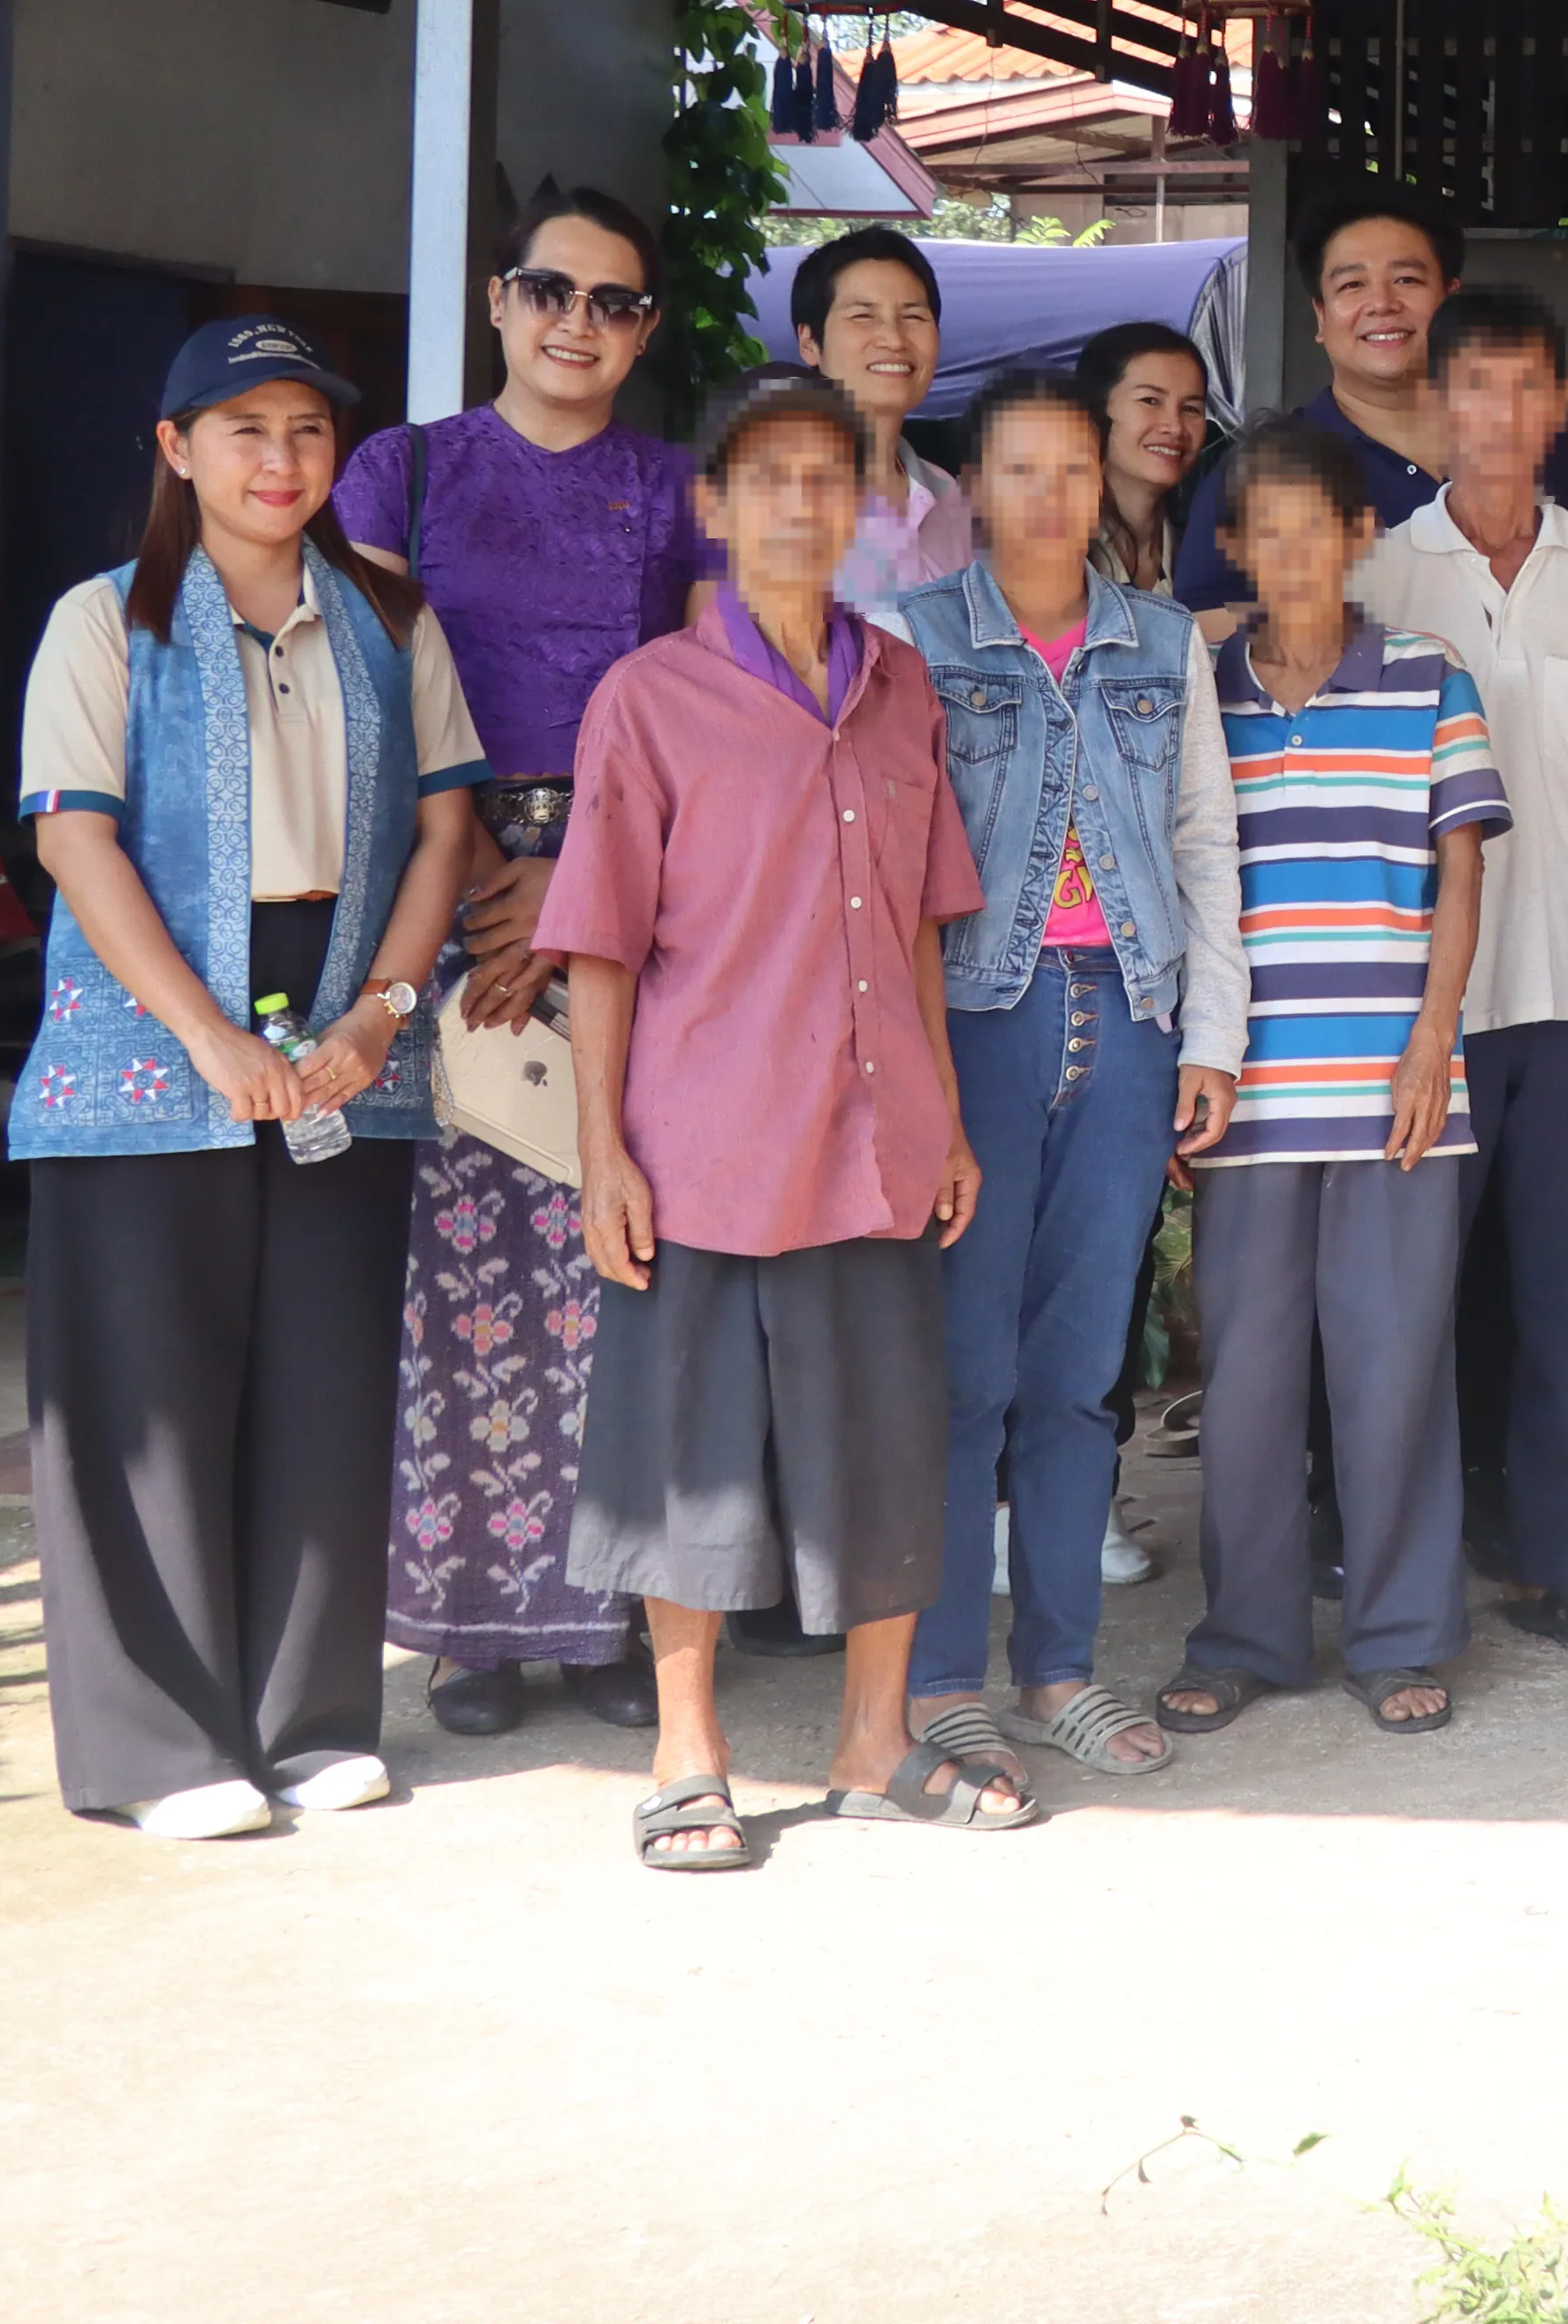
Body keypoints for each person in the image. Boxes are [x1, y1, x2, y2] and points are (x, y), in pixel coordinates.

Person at [13, 317, 485, 1838]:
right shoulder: (104, 621)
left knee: (323, 1381)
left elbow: (444, 831)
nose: (280, 462)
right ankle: (158, 1749)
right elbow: (74, 833)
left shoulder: (391, 620)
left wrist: (385, 1012)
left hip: (350, 1035)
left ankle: (313, 1715)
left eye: (305, 431)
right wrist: (205, 1036)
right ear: (174, 449)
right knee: (145, 1392)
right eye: (243, 430)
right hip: (145, 1044)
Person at [546, 370, 1015, 1871]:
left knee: (887, 1441)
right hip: (705, 1142)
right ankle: (692, 1751)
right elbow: (601, 944)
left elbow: (930, 926)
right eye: (768, 479)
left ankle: (875, 1742)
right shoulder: (650, 701)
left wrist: (942, 1118)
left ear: (865, 504)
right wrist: (599, 1149)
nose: (802, 506)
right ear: (713, 506)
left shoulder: (900, 685)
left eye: (829, 478)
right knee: (690, 1449)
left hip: (875, 1135)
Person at [335, 187, 708, 1741]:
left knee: (619, 1258)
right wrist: (481, 863)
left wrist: (573, 882)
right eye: (552, 290)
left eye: (615, 303)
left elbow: (700, 703)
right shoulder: (400, 471)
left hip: (625, 899)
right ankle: (475, 1628)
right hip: (439, 893)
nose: (580, 323)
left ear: (648, 331)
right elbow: (354, 688)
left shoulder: (678, 487)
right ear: (499, 300)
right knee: (458, 1270)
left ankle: (620, 1614)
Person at [896, 370, 1249, 1783]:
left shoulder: (1163, 644)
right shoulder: (912, 641)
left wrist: (1211, 1035)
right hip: (977, 1020)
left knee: (1078, 1373)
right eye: (1022, 471)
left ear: (1106, 488)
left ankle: (1056, 1668)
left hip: (1132, 1015)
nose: (1052, 498)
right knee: (960, 1372)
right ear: (972, 490)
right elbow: (890, 881)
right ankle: (934, 1680)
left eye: (1076, 471)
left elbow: (1207, 843)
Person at [1161, 425, 1504, 1743]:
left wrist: (1433, 1041)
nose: (1295, 553)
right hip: (1246, 1090)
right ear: (1235, 548)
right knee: (1245, 1385)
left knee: (1395, 1369)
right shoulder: (1198, 690)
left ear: (1363, 538)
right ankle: (1246, 1633)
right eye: (1268, 530)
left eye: (1322, 527)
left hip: (1398, 1089)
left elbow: (1461, 868)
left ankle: (1402, 1635)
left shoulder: (1428, 678)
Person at [1354, 286, 1568, 1662]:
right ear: (1433, 413)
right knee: (1409, 1305)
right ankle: (1407, 1580)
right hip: (1415, 1006)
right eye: (1471, 389)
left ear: (1560, 409)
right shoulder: (1376, 574)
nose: (1497, 418)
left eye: (1524, 388)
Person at [1176, 182, 1568, 608]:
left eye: (1406, 279)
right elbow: (1200, 640)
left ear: (1452, 302)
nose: (1382, 303)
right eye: (1352, 285)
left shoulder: (1550, 454)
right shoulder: (1259, 473)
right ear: (1321, 315)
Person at [791, 225, 971, 627]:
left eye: (913, 316)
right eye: (862, 316)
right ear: (809, 342)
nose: (893, 338)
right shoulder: (766, 497)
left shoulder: (954, 502)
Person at [1076, 317, 1218, 591]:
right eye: (1150, 401)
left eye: (1191, 408)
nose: (1175, 427)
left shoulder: (1207, 551)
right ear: (1095, 410)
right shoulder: (1048, 545)